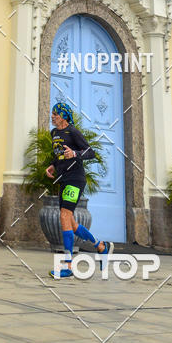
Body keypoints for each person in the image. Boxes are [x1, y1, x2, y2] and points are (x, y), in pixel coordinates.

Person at [47, 101, 112, 278]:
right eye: (52, 113)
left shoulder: (73, 132)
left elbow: (90, 152)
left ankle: (68, 266)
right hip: (63, 178)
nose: (52, 116)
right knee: (72, 223)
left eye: (56, 114)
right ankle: (101, 246)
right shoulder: (54, 133)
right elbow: (59, 154)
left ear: (64, 116)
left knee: (64, 215)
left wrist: (75, 153)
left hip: (75, 180)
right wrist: (53, 165)